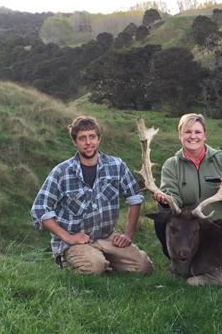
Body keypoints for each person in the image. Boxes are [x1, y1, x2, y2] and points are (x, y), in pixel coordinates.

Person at [31, 116, 153, 275]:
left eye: (92, 137)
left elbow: (135, 197)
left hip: (106, 237)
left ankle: (104, 261)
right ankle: (73, 260)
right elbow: (39, 209)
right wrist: (68, 237)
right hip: (76, 242)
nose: (88, 142)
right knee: (94, 266)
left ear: (99, 139)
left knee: (144, 267)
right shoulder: (61, 172)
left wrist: (128, 234)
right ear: (75, 142)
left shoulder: (116, 166)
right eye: (82, 138)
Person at [153, 113, 222, 257]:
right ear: (180, 135)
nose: (193, 136)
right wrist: (166, 201)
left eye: (197, 132)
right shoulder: (171, 165)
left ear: (205, 135)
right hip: (190, 229)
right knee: (160, 221)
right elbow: (173, 197)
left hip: (219, 227)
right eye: (187, 132)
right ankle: (176, 258)